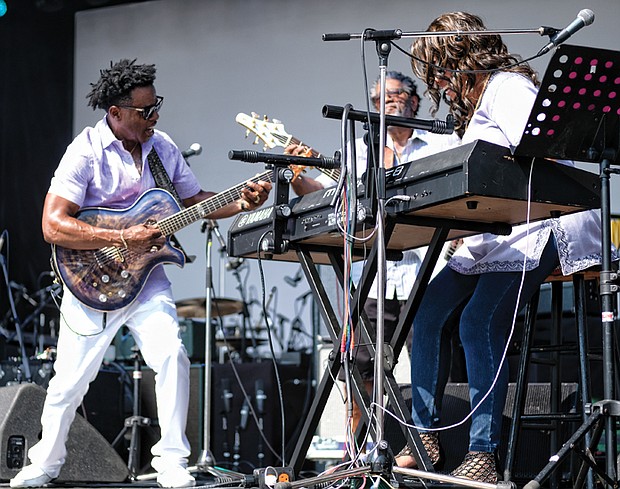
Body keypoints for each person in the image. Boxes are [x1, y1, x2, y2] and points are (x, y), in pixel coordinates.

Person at [9, 59, 271, 489]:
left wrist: (242, 202)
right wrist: (122, 235)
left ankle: (171, 461)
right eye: (145, 111)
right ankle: (45, 463)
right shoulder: (85, 151)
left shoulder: (163, 148)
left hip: (146, 282)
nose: (155, 117)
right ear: (116, 112)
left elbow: (193, 202)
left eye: (156, 107)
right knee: (70, 381)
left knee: (172, 355)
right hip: (89, 280)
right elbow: (52, 224)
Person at [394, 12, 605, 483]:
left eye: (443, 70)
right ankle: (424, 434)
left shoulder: (507, 87)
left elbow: (543, 152)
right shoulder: (474, 109)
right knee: (425, 311)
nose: (442, 84)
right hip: (499, 231)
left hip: (545, 221)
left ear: (461, 59)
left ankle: (483, 453)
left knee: (479, 319)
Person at [287, 71, 459, 435]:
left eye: (396, 95)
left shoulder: (442, 142)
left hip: (429, 273)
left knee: (438, 360)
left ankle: (435, 441)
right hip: (378, 278)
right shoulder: (362, 150)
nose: (389, 103)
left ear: (414, 101)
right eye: (381, 99)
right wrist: (297, 175)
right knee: (358, 361)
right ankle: (364, 446)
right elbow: (329, 191)